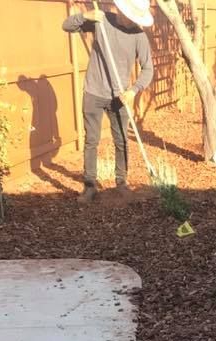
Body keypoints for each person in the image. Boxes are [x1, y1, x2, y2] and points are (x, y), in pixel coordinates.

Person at [62, 0, 154, 203]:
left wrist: (133, 90)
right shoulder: (101, 19)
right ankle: (90, 186)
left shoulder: (139, 36)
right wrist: (85, 17)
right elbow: (66, 25)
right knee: (91, 141)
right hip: (94, 91)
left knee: (121, 140)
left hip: (119, 96)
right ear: (123, 11)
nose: (131, 21)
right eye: (130, 16)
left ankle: (121, 183)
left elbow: (148, 69)